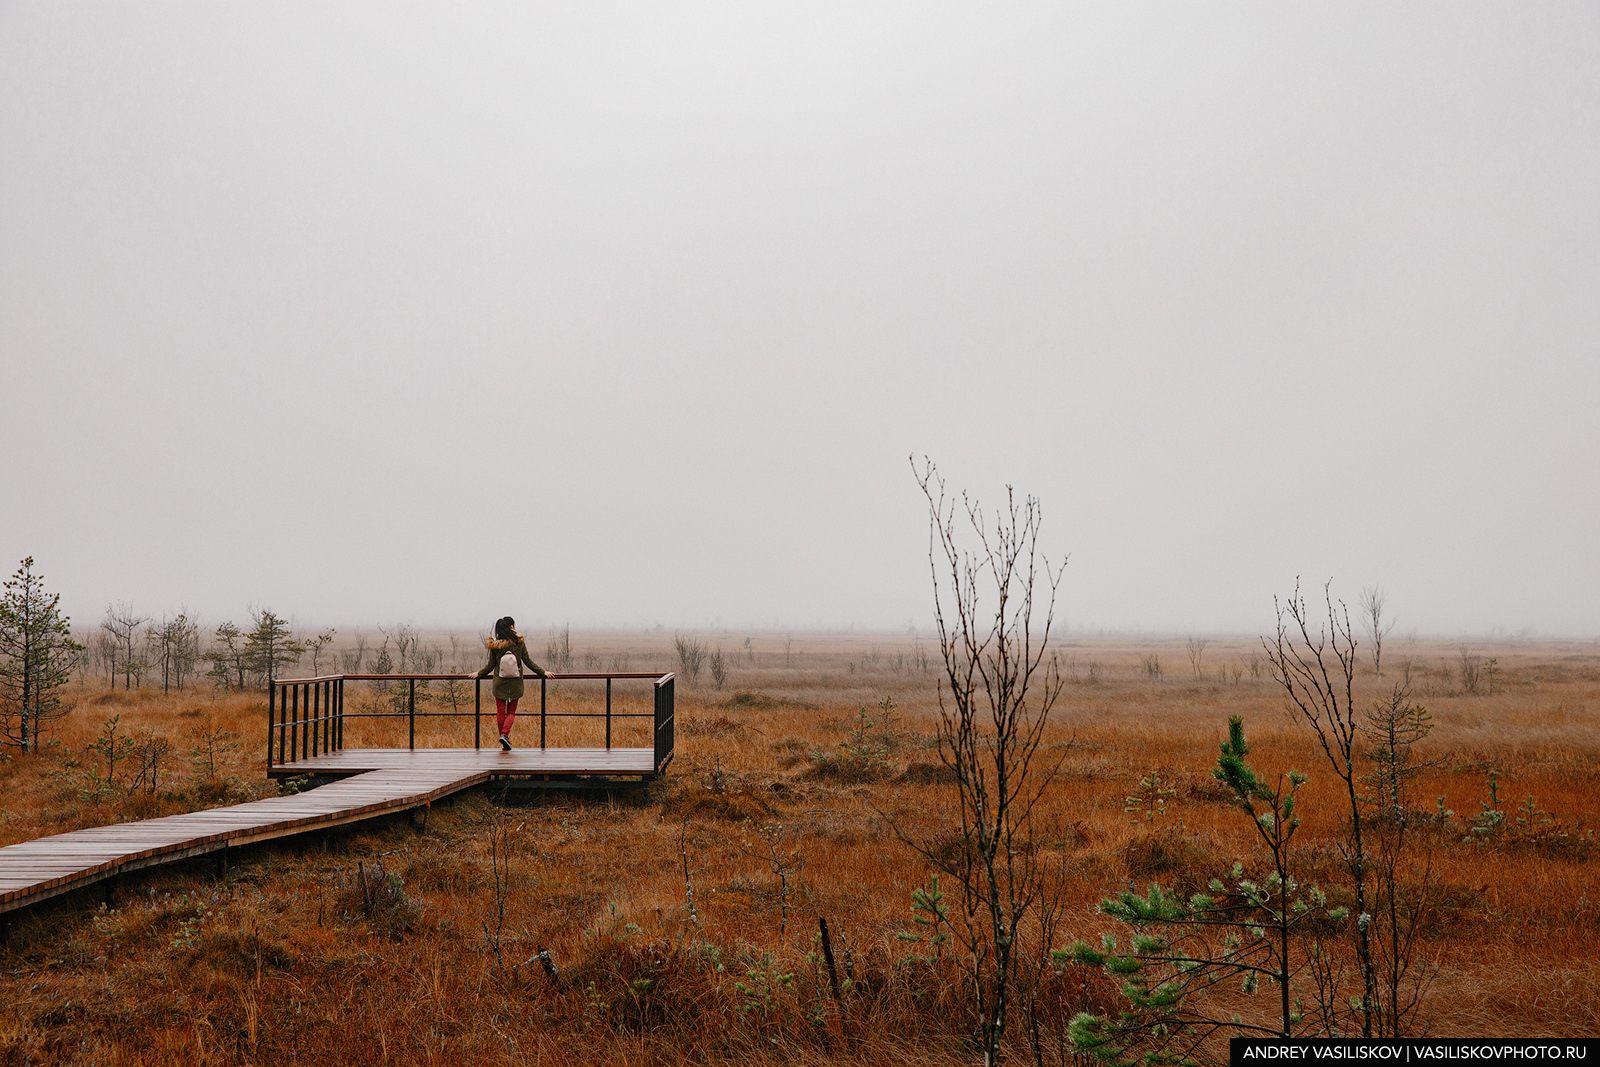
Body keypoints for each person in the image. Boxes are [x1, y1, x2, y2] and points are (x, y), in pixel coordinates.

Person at [477, 616, 547, 750]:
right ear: (511, 627)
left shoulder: (495, 646)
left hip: (500, 682)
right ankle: (504, 734)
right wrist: (543, 672)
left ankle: (503, 737)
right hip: (515, 681)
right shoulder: (518, 643)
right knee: (511, 712)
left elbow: (490, 666)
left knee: (500, 712)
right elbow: (528, 661)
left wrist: (478, 674)